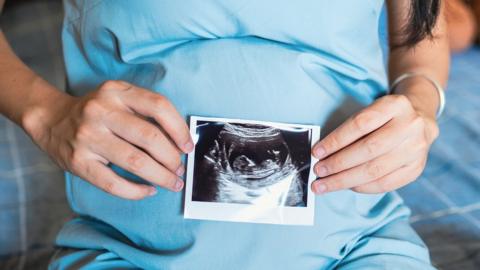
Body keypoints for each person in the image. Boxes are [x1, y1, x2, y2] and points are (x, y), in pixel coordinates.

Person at [0, 0, 449, 269]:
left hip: (360, 246)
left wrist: (421, 105)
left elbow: (422, 28)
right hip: (124, 253)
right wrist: (44, 111)